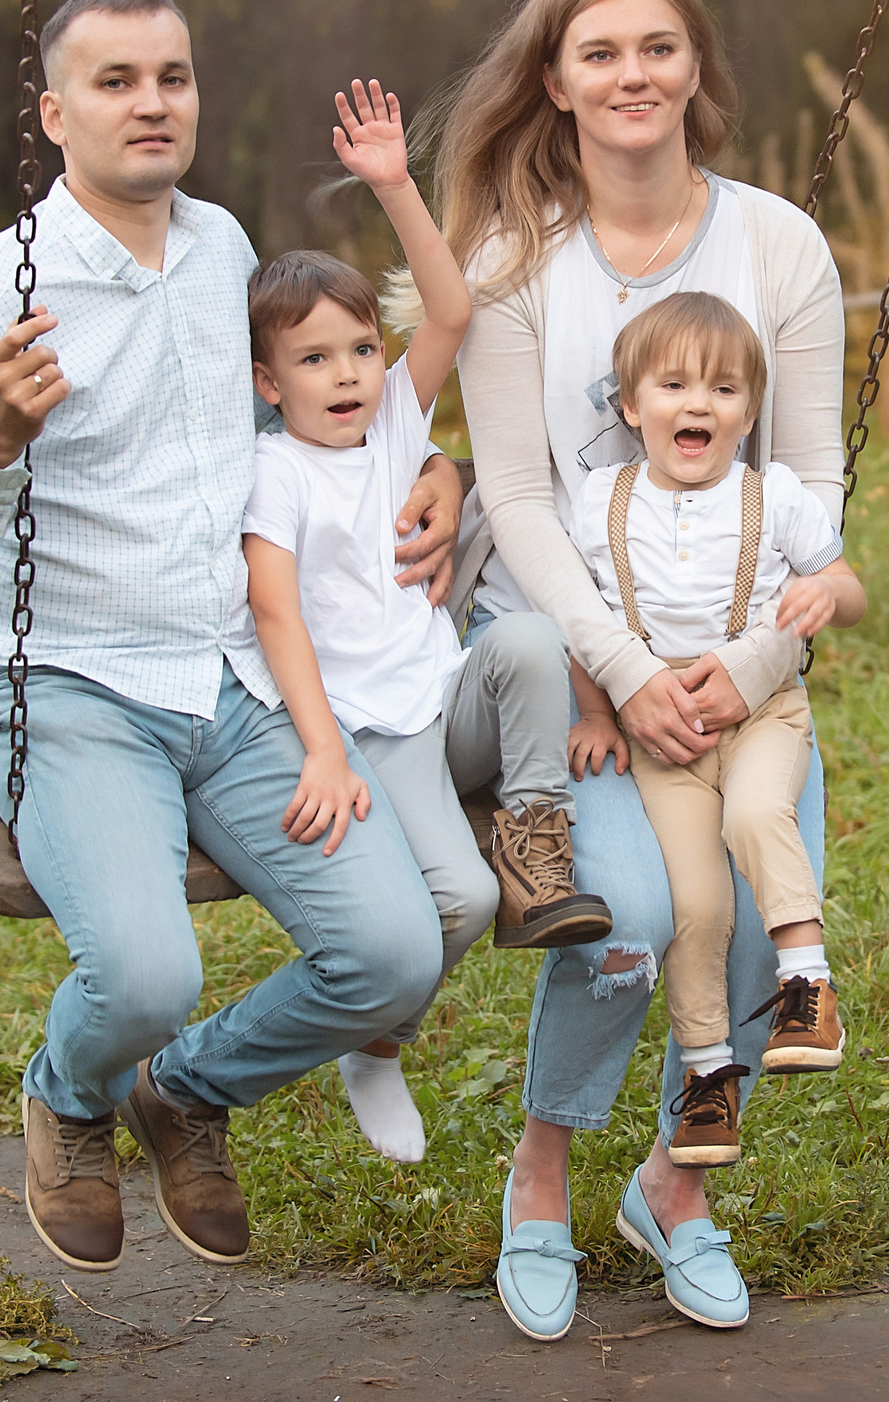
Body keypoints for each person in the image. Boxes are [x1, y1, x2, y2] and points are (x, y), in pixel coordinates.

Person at [0, 0, 465, 1276]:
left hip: (232, 679)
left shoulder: (217, 251)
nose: (152, 102)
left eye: (173, 76)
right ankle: (70, 1094)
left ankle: (187, 1093)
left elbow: (289, 428)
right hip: (69, 688)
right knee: (143, 977)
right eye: (115, 81)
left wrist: (434, 470)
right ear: (53, 113)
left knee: (393, 957)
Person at [412, 0, 845, 1338]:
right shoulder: (513, 263)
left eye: (658, 46)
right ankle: (541, 1176)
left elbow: (813, 485)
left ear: (697, 69)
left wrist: (755, 664)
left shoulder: (776, 244)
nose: (633, 74)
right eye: (600, 52)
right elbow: (521, 496)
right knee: (631, 925)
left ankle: (674, 1185)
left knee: (776, 942)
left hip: (733, 643)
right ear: (556, 80)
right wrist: (626, 668)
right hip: (562, 641)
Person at [230, 80, 612, 1164]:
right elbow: (271, 609)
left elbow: (449, 310)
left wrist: (394, 186)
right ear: (268, 382)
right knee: (454, 896)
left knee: (530, 642)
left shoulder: (398, 420)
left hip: (445, 697)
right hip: (373, 728)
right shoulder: (277, 473)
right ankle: (378, 1040)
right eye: (312, 359)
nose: (345, 374)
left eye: (356, 349)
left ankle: (539, 838)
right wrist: (319, 747)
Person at [569, 293, 865, 1167]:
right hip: (665, 743)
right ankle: (707, 1076)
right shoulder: (600, 502)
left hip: (764, 716)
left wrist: (824, 595)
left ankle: (808, 984)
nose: (698, 404)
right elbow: (585, 619)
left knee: (754, 816)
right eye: (673, 384)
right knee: (694, 904)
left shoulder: (773, 498)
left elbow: (848, 587)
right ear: (631, 405)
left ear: (749, 411)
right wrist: (595, 710)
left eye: (724, 389)